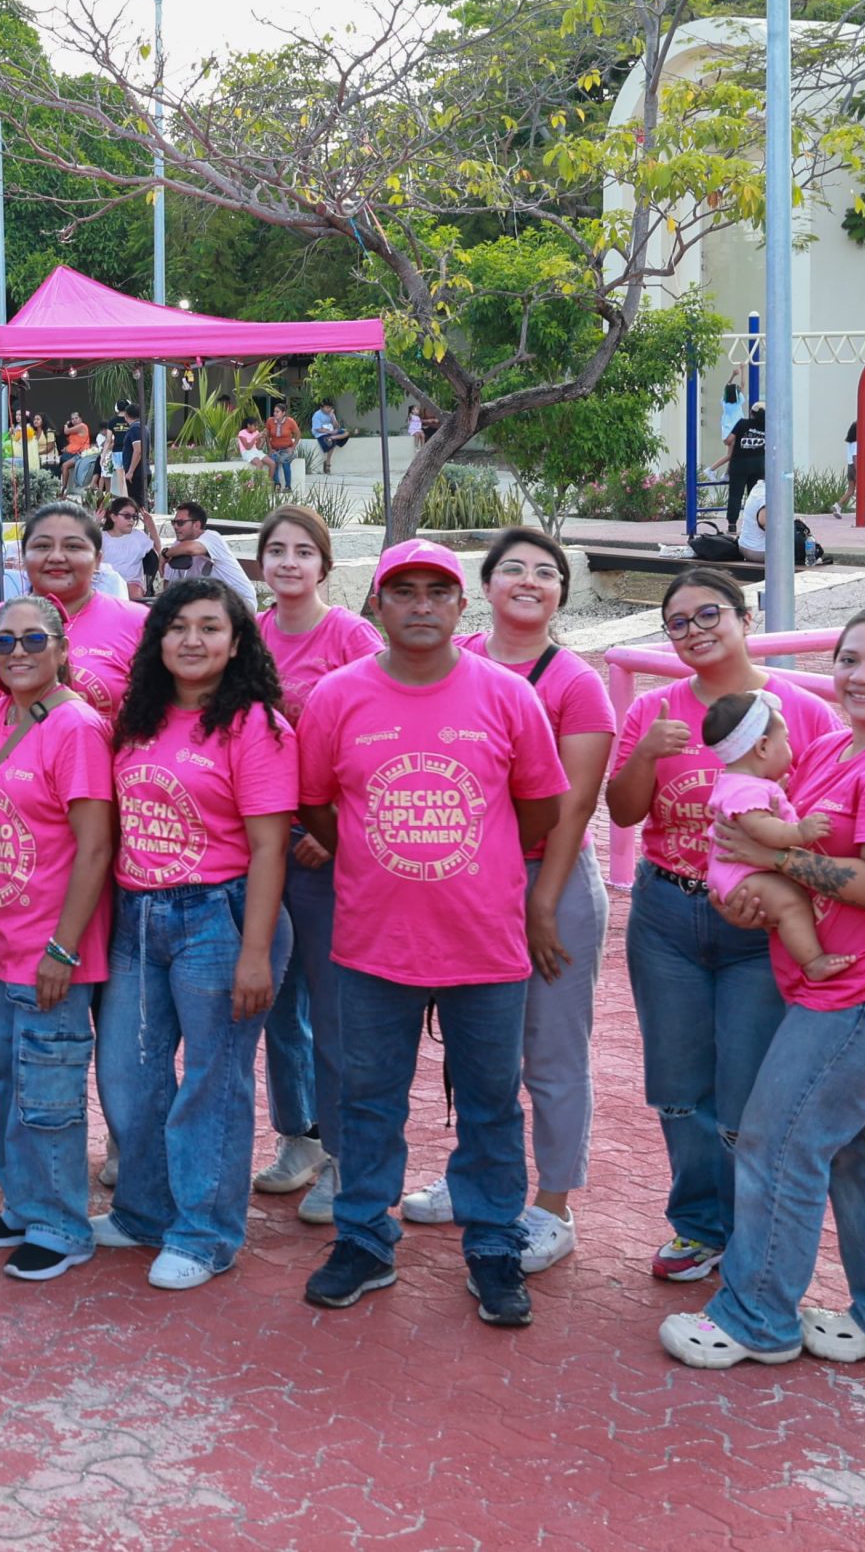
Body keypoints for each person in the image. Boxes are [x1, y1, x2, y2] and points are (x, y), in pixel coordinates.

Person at [660, 608, 865, 1372]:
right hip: (854, 988)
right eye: (849, 659)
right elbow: (762, 832)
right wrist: (751, 893)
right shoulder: (834, 747)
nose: (860, 676)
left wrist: (777, 864)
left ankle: (756, 1318)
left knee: (779, 1141)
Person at [296, 539, 567, 1327]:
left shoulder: (507, 696)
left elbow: (541, 808)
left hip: (484, 943)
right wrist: (376, 859)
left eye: (437, 592)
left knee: (491, 1103)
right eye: (403, 591)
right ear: (376, 605)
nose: (421, 605)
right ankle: (363, 1239)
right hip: (372, 944)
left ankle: (492, 1244)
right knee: (367, 1101)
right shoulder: (337, 698)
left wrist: (477, 865)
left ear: (460, 605)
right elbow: (316, 805)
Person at [606, 566, 839, 1282]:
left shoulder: (802, 713)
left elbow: (831, 822)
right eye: (678, 622)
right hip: (666, 916)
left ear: (744, 618)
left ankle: (751, 1235)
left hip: (760, 925)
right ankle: (698, 1226)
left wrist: (776, 879)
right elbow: (623, 812)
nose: (695, 631)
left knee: (747, 1090)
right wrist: (646, 752)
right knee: (679, 1086)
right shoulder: (657, 711)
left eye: (710, 614)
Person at [398, 530, 616, 1276]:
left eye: (546, 572)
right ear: (483, 588)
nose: (529, 580)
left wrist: (543, 904)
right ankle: (475, 1177)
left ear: (562, 593)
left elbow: (575, 806)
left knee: (552, 1053)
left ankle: (553, 1206)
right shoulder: (452, 657)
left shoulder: (574, 682)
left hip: (550, 880)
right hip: (470, 884)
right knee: (478, 1050)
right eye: (513, 569)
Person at [101, 578, 295, 1290]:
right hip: (137, 915)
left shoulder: (256, 726)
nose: (191, 640)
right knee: (131, 1074)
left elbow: (270, 847)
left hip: (220, 916)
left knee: (213, 1083)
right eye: (177, 626)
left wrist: (255, 953)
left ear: (237, 642)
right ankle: (144, 1212)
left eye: (210, 627)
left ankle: (205, 1233)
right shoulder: (140, 718)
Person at [0, 594, 116, 1283]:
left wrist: (63, 948)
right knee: (10, 1083)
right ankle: (25, 1206)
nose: (17, 652)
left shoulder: (76, 726)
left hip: (53, 952)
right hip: (5, 946)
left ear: (61, 648)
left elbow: (94, 847)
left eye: (32, 640)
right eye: (4, 641)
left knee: (50, 1096)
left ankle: (62, 1225)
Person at [250, 505, 385, 1222]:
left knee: (335, 1010)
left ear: (324, 565)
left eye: (303, 551)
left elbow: (379, 737)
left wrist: (332, 830)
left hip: (329, 847)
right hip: (266, 844)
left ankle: (344, 1154)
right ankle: (297, 1135)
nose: (289, 563)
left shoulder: (352, 637)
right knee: (277, 1002)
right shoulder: (251, 635)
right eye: (277, 550)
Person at [698, 690, 856, 980]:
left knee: (793, 898)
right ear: (762, 747)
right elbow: (762, 830)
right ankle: (813, 962)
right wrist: (799, 831)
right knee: (791, 902)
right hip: (741, 876)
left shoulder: (747, 784)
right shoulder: (746, 789)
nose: (790, 747)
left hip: (743, 872)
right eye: (785, 739)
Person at [0, 501, 148, 725]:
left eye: (73, 547)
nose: (56, 557)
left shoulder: (140, 626)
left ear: (98, 560)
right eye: (42, 546)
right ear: (23, 557)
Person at [161, 502, 252, 596]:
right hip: (212, 599)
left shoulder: (212, 537)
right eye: (174, 522)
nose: (175, 526)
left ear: (196, 525)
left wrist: (165, 554)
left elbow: (191, 549)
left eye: (180, 523)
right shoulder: (177, 547)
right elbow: (169, 585)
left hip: (239, 598)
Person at [716, 401, 768, 526]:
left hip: (739, 464)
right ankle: (753, 523)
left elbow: (728, 441)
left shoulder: (742, 423)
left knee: (735, 495)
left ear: (751, 413)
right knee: (755, 495)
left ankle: (732, 524)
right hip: (758, 464)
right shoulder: (768, 427)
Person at [99, 498, 160, 599]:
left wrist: (151, 525)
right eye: (127, 516)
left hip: (132, 583)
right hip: (107, 582)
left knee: (133, 593)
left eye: (134, 517)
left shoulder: (138, 536)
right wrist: (94, 523)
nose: (131, 520)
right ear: (113, 517)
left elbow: (157, 551)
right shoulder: (102, 537)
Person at [265, 399, 302, 491]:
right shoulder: (270, 421)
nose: (275, 413)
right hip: (274, 449)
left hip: (286, 448)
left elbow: (298, 434)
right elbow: (266, 435)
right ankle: (277, 484)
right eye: (274, 411)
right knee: (273, 462)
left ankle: (288, 486)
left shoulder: (290, 421)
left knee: (286, 463)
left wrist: (292, 448)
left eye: (277, 412)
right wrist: (270, 448)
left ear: (283, 413)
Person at [310, 398, 347, 473]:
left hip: (331, 433)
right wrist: (330, 432)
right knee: (331, 442)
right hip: (321, 434)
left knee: (346, 432)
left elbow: (337, 426)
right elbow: (318, 429)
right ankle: (328, 462)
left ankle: (333, 438)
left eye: (330, 407)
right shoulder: (317, 415)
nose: (329, 409)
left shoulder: (331, 414)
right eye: (327, 407)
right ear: (321, 408)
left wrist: (332, 417)